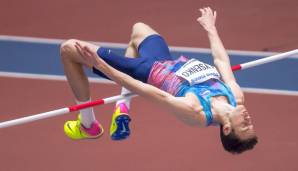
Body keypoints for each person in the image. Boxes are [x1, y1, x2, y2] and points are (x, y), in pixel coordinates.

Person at [60, 7, 257, 154]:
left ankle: (88, 125)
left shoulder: (196, 111)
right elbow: (222, 61)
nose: (249, 120)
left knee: (68, 48)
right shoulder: (235, 96)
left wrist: (100, 65)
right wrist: (211, 29)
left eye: (245, 126)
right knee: (139, 29)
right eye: (251, 125)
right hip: (164, 60)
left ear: (228, 128)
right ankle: (122, 105)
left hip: (144, 71)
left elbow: (144, 89)